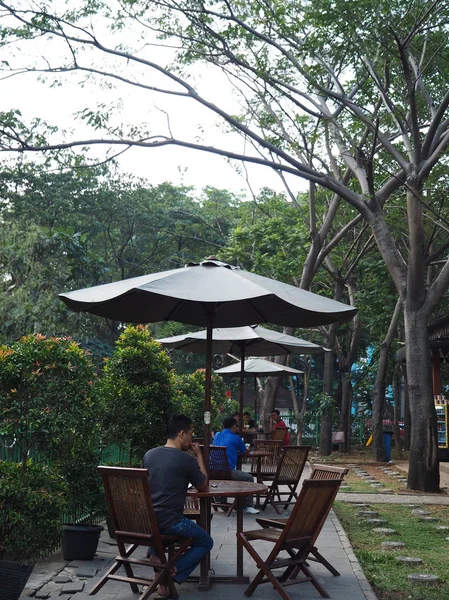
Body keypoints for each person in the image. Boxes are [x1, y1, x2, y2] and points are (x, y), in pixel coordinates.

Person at [142, 414, 213, 597]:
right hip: (172, 522)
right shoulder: (186, 460)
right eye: (190, 435)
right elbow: (204, 485)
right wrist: (198, 455)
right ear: (182, 434)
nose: (191, 439)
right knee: (206, 541)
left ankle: (155, 556)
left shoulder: (149, 455)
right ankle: (170, 573)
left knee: (157, 528)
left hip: (147, 521)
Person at [213, 416, 259, 514]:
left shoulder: (217, 435)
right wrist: (249, 448)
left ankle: (224, 500)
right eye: (237, 426)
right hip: (227, 471)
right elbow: (245, 452)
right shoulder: (236, 438)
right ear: (233, 427)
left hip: (213, 471)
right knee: (249, 478)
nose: (237, 429)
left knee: (238, 476)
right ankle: (247, 506)